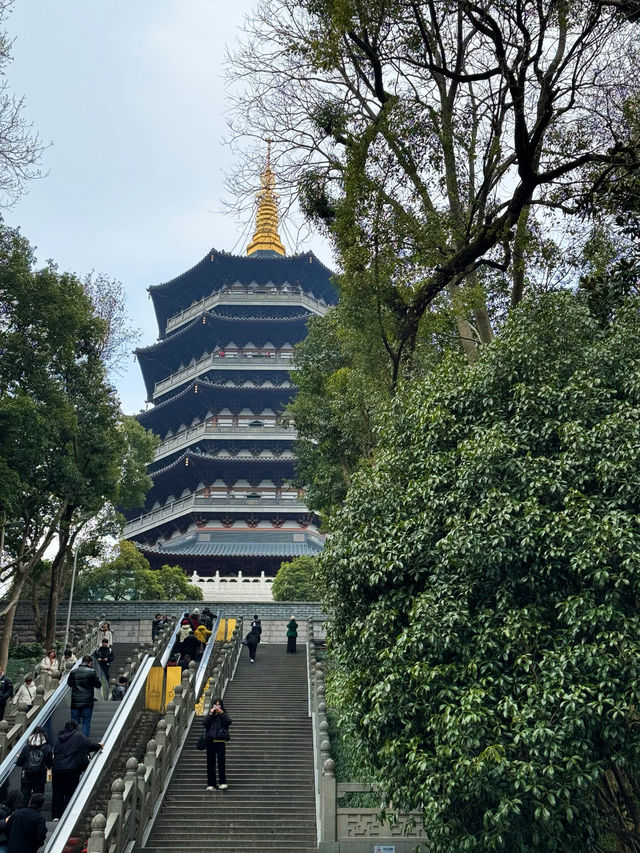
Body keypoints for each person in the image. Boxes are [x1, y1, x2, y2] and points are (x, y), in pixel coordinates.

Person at [51, 720, 103, 820]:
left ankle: (56, 816)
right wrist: (99, 745)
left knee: (58, 793)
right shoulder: (78, 736)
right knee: (70, 792)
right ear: (75, 727)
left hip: (57, 769)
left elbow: (56, 752)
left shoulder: (59, 739)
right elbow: (90, 745)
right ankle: (67, 814)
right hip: (71, 768)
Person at [16, 726, 52, 805]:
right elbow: (49, 764)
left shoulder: (27, 747)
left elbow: (19, 763)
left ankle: (23, 812)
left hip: (26, 777)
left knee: (24, 798)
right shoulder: (47, 747)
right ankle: (35, 813)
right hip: (40, 777)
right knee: (37, 799)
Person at [67, 655, 101, 737]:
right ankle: (84, 741)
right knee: (86, 722)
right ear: (90, 663)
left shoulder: (73, 672)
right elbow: (98, 685)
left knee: (74, 723)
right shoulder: (91, 672)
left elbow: (69, 684)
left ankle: (72, 740)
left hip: (75, 701)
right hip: (87, 702)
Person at [202, 697, 231, 791]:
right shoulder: (211, 716)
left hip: (220, 742)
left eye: (219, 705)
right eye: (215, 705)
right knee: (210, 763)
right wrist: (210, 714)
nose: (217, 707)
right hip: (210, 742)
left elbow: (228, 722)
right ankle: (211, 784)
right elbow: (205, 724)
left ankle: (222, 782)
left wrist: (221, 713)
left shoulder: (223, 715)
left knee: (221, 763)